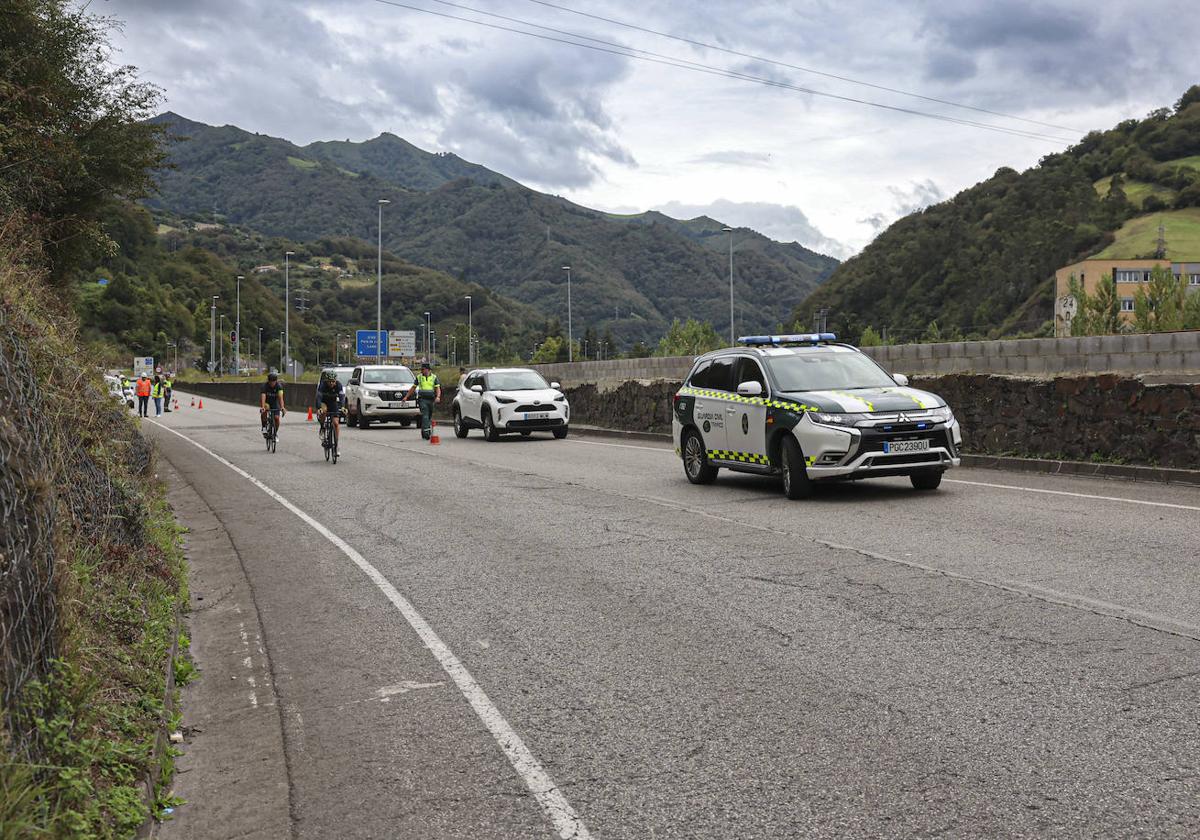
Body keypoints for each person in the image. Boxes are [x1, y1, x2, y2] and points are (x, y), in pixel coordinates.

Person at [405, 361, 441, 440]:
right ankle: (426, 433)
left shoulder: (434, 377)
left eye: (423, 369)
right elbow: (413, 388)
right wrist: (406, 397)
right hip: (422, 399)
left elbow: (437, 388)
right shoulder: (419, 377)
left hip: (431, 399)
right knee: (425, 415)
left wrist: (438, 397)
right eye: (421, 369)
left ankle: (424, 431)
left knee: (429, 416)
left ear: (428, 370)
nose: (421, 371)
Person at [315, 369, 345, 446]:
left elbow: (341, 397)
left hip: (332, 403)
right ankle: (322, 427)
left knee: (336, 423)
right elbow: (318, 397)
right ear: (326, 381)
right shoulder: (323, 385)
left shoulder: (338, 385)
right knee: (324, 410)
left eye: (333, 381)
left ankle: (337, 443)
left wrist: (343, 407)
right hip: (323, 402)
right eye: (330, 381)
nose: (332, 383)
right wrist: (319, 408)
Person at [260, 371, 286, 437]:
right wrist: (262, 407)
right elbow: (263, 396)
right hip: (267, 402)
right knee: (264, 410)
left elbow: (281, 398)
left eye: (273, 381)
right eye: (270, 381)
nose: (272, 383)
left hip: (275, 402)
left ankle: (275, 433)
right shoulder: (265, 386)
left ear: (276, 381)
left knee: (276, 418)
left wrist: (282, 407)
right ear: (268, 381)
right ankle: (264, 427)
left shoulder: (279, 386)